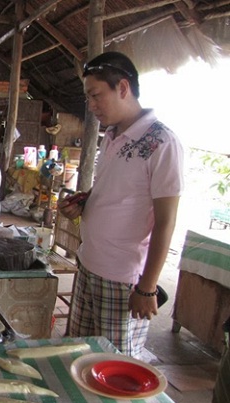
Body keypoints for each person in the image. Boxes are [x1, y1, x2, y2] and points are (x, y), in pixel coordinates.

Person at [58, 51, 184, 359]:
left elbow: (166, 221)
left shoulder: (162, 142)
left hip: (121, 279)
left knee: (115, 365)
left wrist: (147, 287)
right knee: (80, 355)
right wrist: (83, 205)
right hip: (88, 265)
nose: (92, 106)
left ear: (123, 88)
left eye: (96, 96)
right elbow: (119, 195)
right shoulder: (111, 135)